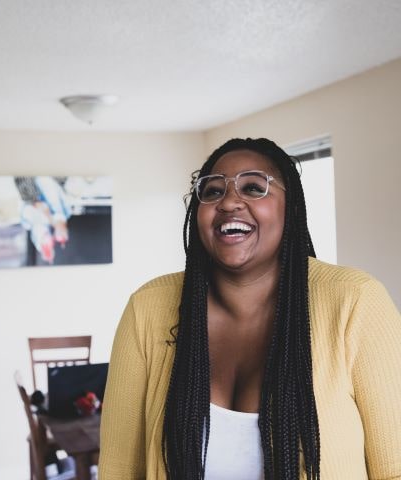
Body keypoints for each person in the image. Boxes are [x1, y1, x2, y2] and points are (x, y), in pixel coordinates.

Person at [98, 138, 401, 479]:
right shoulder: (147, 310)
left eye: (254, 187)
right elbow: (118, 469)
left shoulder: (356, 303)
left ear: (292, 208)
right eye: (212, 192)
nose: (229, 201)